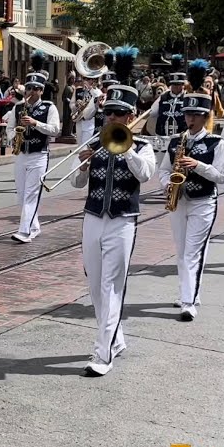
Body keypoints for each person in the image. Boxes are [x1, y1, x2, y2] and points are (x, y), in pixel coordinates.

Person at [71, 81, 154, 376]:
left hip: (122, 220)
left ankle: (102, 353)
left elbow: (145, 175)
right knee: (95, 284)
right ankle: (115, 339)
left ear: (130, 117)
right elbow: (75, 184)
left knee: (111, 285)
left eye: (117, 114)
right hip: (93, 217)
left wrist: (127, 149)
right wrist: (82, 166)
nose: (110, 119)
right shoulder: (94, 144)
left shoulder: (144, 147)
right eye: (108, 114)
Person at [158, 93, 224, 321]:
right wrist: (167, 184)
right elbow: (163, 170)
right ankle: (188, 293)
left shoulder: (215, 143)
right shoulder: (175, 141)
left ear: (205, 116)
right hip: (179, 201)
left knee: (192, 253)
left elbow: (222, 176)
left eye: (195, 116)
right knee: (181, 251)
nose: (190, 120)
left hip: (203, 201)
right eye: (188, 115)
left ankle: (188, 302)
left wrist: (198, 165)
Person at [5, 52, 60, 243]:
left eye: (36, 89)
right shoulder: (18, 107)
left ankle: (25, 231)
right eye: (29, 88)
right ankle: (34, 226)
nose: (31, 92)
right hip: (21, 153)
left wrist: (36, 123)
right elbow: (9, 128)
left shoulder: (49, 107)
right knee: (21, 195)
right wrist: (14, 136)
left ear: (42, 90)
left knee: (31, 194)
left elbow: (55, 130)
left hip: (39, 154)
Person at [143, 55, 188, 168]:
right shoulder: (163, 97)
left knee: (179, 166)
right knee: (163, 167)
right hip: (162, 138)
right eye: (174, 85)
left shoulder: (187, 97)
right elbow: (152, 113)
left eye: (179, 85)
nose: (177, 87)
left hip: (181, 138)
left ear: (183, 85)